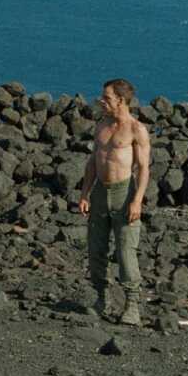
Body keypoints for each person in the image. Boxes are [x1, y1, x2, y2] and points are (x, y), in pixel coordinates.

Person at [78, 78, 150, 326]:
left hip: (124, 194)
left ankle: (132, 307)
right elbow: (92, 162)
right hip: (99, 194)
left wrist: (137, 201)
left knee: (125, 251)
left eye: (106, 97)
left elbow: (143, 169)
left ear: (120, 100)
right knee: (96, 249)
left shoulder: (136, 129)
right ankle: (102, 299)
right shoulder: (101, 125)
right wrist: (85, 194)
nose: (101, 101)